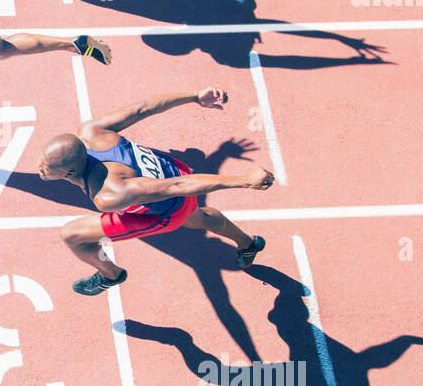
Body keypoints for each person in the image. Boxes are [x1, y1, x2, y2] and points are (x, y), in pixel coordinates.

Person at [36, 87, 274, 294]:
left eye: (46, 167)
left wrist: (244, 181)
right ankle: (249, 244)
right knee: (198, 216)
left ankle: (111, 274)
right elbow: (143, 108)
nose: (40, 167)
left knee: (72, 236)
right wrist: (194, 96)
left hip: (169, 205)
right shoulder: (89, 131)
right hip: (175, 172)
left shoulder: (109, 194)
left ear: (69, 173)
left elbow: (176, 188)